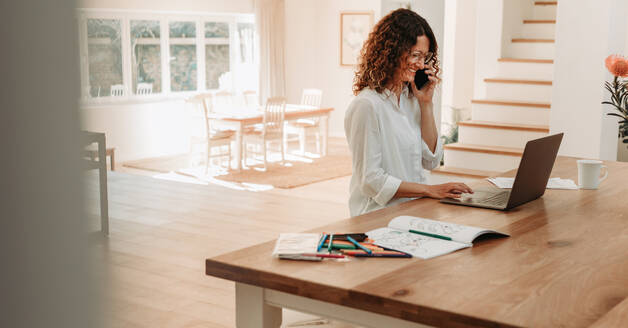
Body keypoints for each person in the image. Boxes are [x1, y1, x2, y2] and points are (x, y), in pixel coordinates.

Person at [344, 8, 473, 217]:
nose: (421, 64)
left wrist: (426, 104)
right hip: (376, 216)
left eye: (425, 57)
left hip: (414, 211)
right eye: (415, 55)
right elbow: (371, 181)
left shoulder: (411, 100)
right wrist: (429, 190)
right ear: (392, 52)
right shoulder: (367, 106)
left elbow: (431, 161)